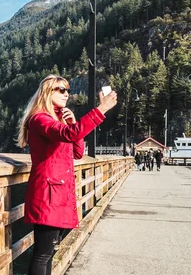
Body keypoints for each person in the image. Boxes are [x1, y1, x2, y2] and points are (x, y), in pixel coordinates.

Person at [18, 75, 118, 275]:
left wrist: (73, 124)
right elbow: (69, 135)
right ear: (47, 92)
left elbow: (77, 152)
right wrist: (102, 109)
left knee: (49, 251)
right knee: (43, 253)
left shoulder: (57, 121)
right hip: (48, 194)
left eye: (68, 90)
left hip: (58, 193)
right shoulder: (40, 119)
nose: (66, 94)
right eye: (60, 90)